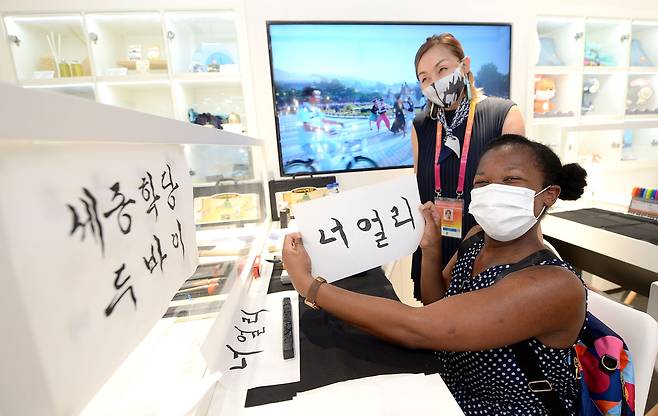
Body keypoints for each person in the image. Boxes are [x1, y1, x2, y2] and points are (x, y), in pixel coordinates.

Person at [283, 134, 589, 415]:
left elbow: (419, 328)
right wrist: (431, 248)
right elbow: (437, 301)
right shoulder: (476, 237)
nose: (494, 191)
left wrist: (311, 287)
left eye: (511, 180)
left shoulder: (552, 285)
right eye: (482, 183)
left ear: (548, 195)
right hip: (444, 386)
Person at [410, 33, 525, 300]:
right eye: (425, 78)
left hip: (486, 247)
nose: (435, 82)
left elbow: (518, 195)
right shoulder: (421, 125)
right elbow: (418, 185)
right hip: (434, 244)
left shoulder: (503, 115)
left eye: (443, 70)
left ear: (465, 65)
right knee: (435, 329)